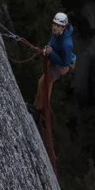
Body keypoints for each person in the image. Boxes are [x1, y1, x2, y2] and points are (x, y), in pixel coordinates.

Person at [12, 11, 77, 164]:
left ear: (64, 27)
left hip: (61, 66)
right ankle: (37, 108)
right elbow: (52, 42)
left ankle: (39, 110)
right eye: (54, 24)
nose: (55, 27)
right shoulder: (58, 34)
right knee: (42, 82)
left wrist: (51, 53)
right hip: (56, 59)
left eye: (58, 26)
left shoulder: (67, 44)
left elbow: (65, 63)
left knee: (44, 83)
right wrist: (47, 49)